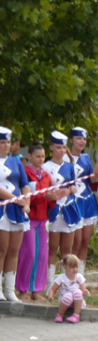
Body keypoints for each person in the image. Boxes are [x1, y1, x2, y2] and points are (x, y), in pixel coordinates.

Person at [67, 127, 98, 276]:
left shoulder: (85, 158)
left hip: (87, 200)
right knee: (76, 242)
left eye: (84, 139)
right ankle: (69, 276)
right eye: (79, 138)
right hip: (73, 201)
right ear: (71, 140)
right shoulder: (66, 158)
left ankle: (80, 276)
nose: (82, 141)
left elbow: (92, 179)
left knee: (85, 241)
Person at [17, 143, 57, 301]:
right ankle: (22, 289)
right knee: (28, 253)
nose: (41, 159)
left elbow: (50, 198)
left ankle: (36, 290)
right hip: (29, 218)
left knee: (42, 255)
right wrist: (43, 197)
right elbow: (25, 198)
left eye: (43, 156)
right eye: (38, 156)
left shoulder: (46, 175)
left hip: (43, 220)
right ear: (30, 156)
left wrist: (54, 198)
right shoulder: (25, 174)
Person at [43, 131, 80, 294]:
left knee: (67, 250)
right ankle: (49, 283)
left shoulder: (69, 166)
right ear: (51, 147)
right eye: (58, 147)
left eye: (64, 147)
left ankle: (65, 285)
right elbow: (42, 190)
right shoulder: (45, 167)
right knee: (52, 249)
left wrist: (72, 189)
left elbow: (74, 186)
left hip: (68, 210)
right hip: (52, 211)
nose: (62, 150)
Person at [0, 126, 31, 302]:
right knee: (1, 250)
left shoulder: (16, 161)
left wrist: (26, 203)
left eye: (8, 142)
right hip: (1, 210)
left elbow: (24, 184)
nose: (6, 145)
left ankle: (10, 290)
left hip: (17, 210)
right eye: (2, 142)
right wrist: (16, 199)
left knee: (14, 250)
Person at [48, 254, 89, 323]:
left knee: (77, 292)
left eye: (77, 267)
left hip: (76, 302)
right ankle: (60, 314)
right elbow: (52, 289)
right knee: (68, 296)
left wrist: (85, 292)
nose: (75, 269)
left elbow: (83, 290)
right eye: (72, 267)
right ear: (65, 267)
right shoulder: (61, 277)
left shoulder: (79, 277)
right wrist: (50, 296)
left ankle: (76, 315)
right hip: (64, 301)